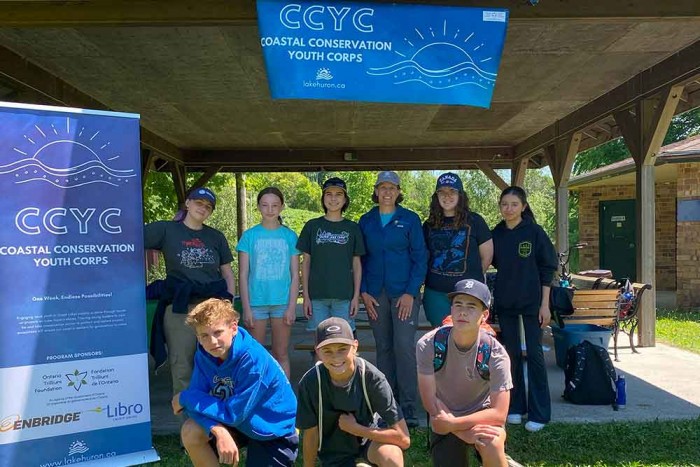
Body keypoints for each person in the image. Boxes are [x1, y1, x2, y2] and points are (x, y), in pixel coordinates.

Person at [173, 298, 298, 467]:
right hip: (237, 420)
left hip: (270, 428)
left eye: (218, 332)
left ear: (233, 327)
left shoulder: (253, 360)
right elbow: (196, 402)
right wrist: (218, 430)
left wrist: (186, 398)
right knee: (191, 431)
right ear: (198, 337)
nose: (212, 342)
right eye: (204, 335)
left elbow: (233, 413)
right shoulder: (204, 354)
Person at [144, 187, 235, 403]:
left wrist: (228, 304)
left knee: (215, 361)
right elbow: (130, 238)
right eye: (198, 203)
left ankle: (216, 419)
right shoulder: (167, 230)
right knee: (182, 365)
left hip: (211, 307)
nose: (202, 208)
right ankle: (187, 426)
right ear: (187, 203)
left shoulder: (215, 236)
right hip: (179, 307)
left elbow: (228, 274)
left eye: (207, 206)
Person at [417, 279, 512, 467]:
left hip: (481, 416)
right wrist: (457, 428)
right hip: (443, 413)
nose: (462, 312)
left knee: (492, 443)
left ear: (484, 315)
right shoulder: (429, 344)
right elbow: (430, 401)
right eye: (458, 304)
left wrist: (454, 425)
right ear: (450, 310)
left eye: (471, 307)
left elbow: (499, 413)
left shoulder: (495, 353)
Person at [358, 171, 428, 427]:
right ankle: (387, 406)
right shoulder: (365, 221)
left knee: (404, 348)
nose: (387, 192)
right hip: (375, 294)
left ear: (399, 192)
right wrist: (364, 291)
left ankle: (409, 408)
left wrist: (411, 292)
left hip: (403, 295)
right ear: (376, 191)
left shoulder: (410, 219)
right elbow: (359, 260)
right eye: (382, 187)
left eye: (392, 188)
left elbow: (421, 258)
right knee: (383, 349)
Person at [297, 317, 410, 467]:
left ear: (355, 346)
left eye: (342, 349)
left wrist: (357, 429)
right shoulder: (310, 382)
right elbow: (310, 433)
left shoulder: (372, 378)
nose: (336, 357)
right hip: (334, 454)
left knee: (392, 456)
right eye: (327, 351)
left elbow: (403, 438)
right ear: (317, 351)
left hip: (369, 443)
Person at [491, 186, 557, 432]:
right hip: (506, 303)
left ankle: (539, 412)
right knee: (511, 356)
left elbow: (547, 269)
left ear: (524, 206)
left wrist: (545, 305)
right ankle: (516, 407)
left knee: (535, 355)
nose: (508, 209)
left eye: (514, 204)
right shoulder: (496, 233)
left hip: (532, 303)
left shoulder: (535, 232)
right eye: (504, 204)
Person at [237, 187, 299, 379]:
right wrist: (245, 309)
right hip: (256, 304)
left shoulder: (289, 236)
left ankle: (283, 399)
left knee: (281, 353)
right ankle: (256, 400)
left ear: (281, 207)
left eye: (274, 205)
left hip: (282, 303)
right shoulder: (249, 236)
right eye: (265, 205)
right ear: (258, 207)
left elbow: (295, 275)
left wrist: (291, 307)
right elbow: (243, 274)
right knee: (256, 356)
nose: (270, 209)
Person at [423, 172, 493, 327]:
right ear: (437, 196)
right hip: (436, 294)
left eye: (452, 191)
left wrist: (472, 278)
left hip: (468, 294)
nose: (447, 196)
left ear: (460, 195)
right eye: (442, 192)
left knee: (468, 339)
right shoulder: (429, 224)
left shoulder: (475, 221)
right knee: (441, 338)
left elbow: (487, 256)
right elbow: (424, 256)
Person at [297, 177, 365, 337]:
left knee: (344, 341)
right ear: (323, 198)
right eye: (329, 194)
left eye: (338, 194)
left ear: (345, 199)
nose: (333, 198)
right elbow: (305, 263)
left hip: (343, 296)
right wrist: (305, 296)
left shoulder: (352, 228)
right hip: (317, 297)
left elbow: (357, 265)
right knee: (320, 343)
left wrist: (356, 297)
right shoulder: (312, 226)